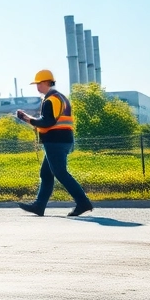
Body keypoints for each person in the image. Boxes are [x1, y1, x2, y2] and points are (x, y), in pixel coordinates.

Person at [16, 69, 94, 217]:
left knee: (60, 173)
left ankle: (83, 202)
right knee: (46, 173)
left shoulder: (50, 100)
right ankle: (39, 206)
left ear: (46, 82)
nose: (37, 87)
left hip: (55, 141)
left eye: (38, 83)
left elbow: (47, 122)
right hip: (62, 139)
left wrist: (27, 119)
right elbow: (51, 121)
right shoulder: (61, 98)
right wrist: (29, 119)